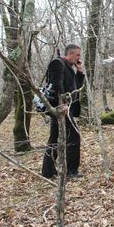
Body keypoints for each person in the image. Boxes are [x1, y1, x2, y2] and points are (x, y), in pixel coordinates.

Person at [41, 44, 85, 179]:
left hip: (66, 107)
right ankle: (71, 171)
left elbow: (76, 87)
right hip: (59, 107)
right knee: (74, 136)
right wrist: (63, 104)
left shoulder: (69, 67)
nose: (79, 58)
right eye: (77, 55)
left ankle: (47, 172)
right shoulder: (57, 63)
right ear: (70, 54)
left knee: (54, 138)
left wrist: (79, 71)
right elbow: (56, 84)